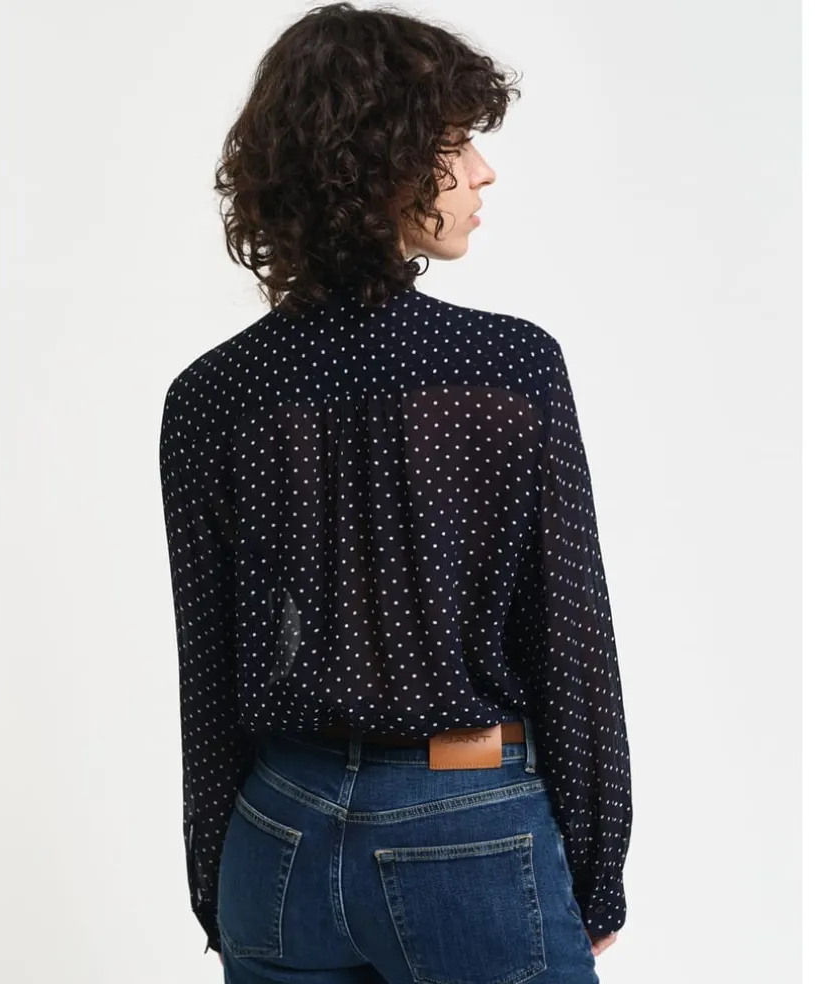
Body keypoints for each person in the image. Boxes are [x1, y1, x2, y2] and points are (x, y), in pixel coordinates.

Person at [158, 3, 633, 982]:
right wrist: (596, 874)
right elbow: (569, 640)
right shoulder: (509, 369)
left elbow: (207, 675)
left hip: (275, 840)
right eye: (455, 145)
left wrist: (219, 880)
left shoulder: (210, 397)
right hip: (467, 828)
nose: (483, 172)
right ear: (381, 166)